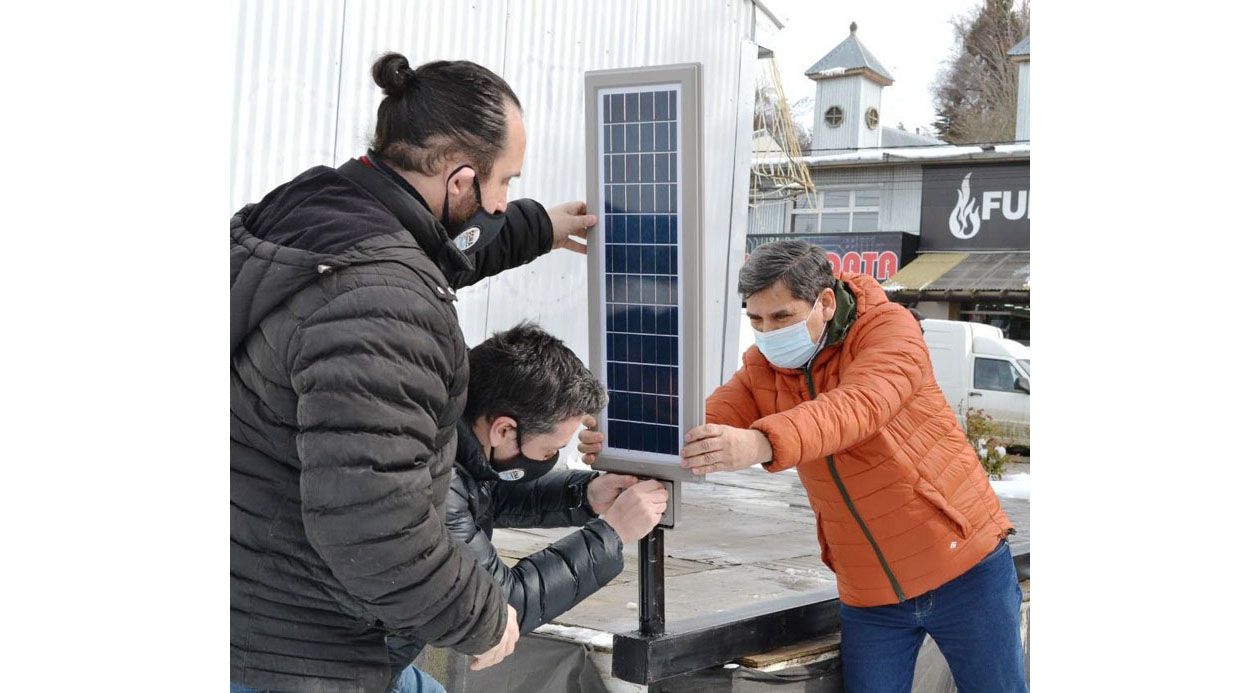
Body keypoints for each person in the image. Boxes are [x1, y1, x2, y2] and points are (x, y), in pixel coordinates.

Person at [230, 53, 596, 693]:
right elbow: (375, 528)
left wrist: (537, 228)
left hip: (254, 605)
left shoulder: (312, 212)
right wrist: (484, 618)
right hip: (301, 650)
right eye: (505, 183)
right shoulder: (384, 308)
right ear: (460, 182)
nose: (503, 203)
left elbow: (435, 248)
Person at [677, 240, 1025, 693]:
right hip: (869, 590)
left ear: (824, 301)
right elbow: (704, 420)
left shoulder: (890, 332)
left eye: (781, 317)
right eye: (755, 320)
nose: (767, 333)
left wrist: (761, 442)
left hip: (965, 570)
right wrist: (631, 439)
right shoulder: (764, 366)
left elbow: (859, 406)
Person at [442, 322, 668, 639]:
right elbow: (500, 605)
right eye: (550, 450)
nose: (551, 459)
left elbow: (485, 497)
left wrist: (585, 494)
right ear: (504, 430)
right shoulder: (440, 479)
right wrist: (612, 533)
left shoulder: (451, 431)